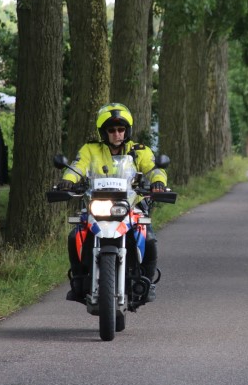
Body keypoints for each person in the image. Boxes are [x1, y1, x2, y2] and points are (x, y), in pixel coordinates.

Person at [57, 103, 167, 303]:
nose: (117, 133)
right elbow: (77, 166)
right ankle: (79, 281)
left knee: (149, 239)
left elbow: (153, 168)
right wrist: (68, 181)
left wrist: (158, 181)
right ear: (104, 132)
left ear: (127, 130)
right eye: (112, 130)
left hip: (132, 206)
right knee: (75, 236)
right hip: (97, 204)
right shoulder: (91, 149)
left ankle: (147, 283)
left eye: (121, 129)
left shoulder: (140, 150)